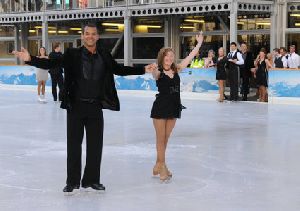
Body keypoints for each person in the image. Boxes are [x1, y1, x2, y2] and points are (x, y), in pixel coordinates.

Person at [13, 23, 155, 193]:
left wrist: (142, 69)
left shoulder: (104, 55)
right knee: (74, 146)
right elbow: (52, 63)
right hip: (76, 106)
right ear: (82, 36)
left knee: (95, 146)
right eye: (87, 34)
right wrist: (30, 59)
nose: (90, 36)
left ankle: (92, 180)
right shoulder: (72, 54)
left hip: (95, 106)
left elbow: (119, 69)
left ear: (97, 37)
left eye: (93, 34)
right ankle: (72, 182)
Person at [150, 32, 204, 181]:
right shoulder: (159, 72)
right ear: (162, 58)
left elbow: (190, 57)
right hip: (160, 108)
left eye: (171, 56)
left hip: (174, 107)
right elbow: (154, 74)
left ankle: (158, 164)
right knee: (160, 139)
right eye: (166, 57)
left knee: (166, 139)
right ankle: (163, 168)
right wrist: (153, 68)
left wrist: (198, 44)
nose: (169, 59)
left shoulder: (177, 69)